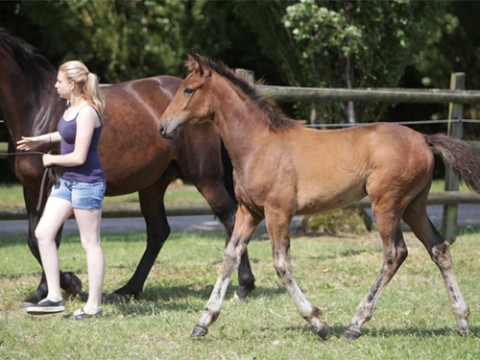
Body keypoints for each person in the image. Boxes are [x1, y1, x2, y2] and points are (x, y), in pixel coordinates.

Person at [17, 60, 106, 320]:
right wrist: (40, 140)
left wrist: (51, 159)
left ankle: (94, 306)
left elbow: (79, 156)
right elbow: (64, 134)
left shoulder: (88, 111)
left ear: (73, 85)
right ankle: (54, 296)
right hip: (67, 183)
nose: (55, 86)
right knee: (43, 233)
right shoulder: (71, 107)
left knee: (90, 244)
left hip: (87, 182)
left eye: (59, 82)